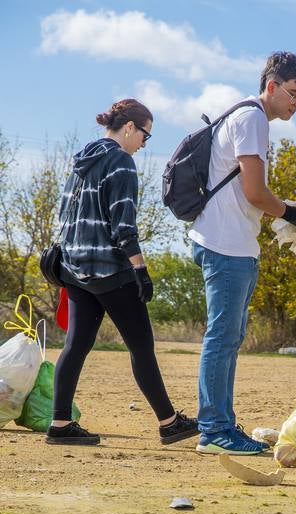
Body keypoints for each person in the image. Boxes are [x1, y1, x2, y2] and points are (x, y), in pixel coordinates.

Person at [190, 51, 296, 455]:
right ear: (272, 86)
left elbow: (250, 195)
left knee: (228, 338)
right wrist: (294, 214)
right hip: (224, 244)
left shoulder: (247, 118)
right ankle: (214, 430)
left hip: (231, 242)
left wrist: (287, 211)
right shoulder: (252, 119)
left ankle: (222, 424)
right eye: (294, 93)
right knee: (222, 337)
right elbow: (255, 192)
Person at [46, 98, 198, 447]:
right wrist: (140, 269)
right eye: (146, 136)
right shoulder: (121, 162)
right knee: (141, 345)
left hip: (74, 267)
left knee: (76, 345)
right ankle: (169, 422)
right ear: (130, 127)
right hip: (110, 270)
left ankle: (60, 423)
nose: (144, 144)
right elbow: (123, 225)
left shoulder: (83, 160)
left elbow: (65, 217)